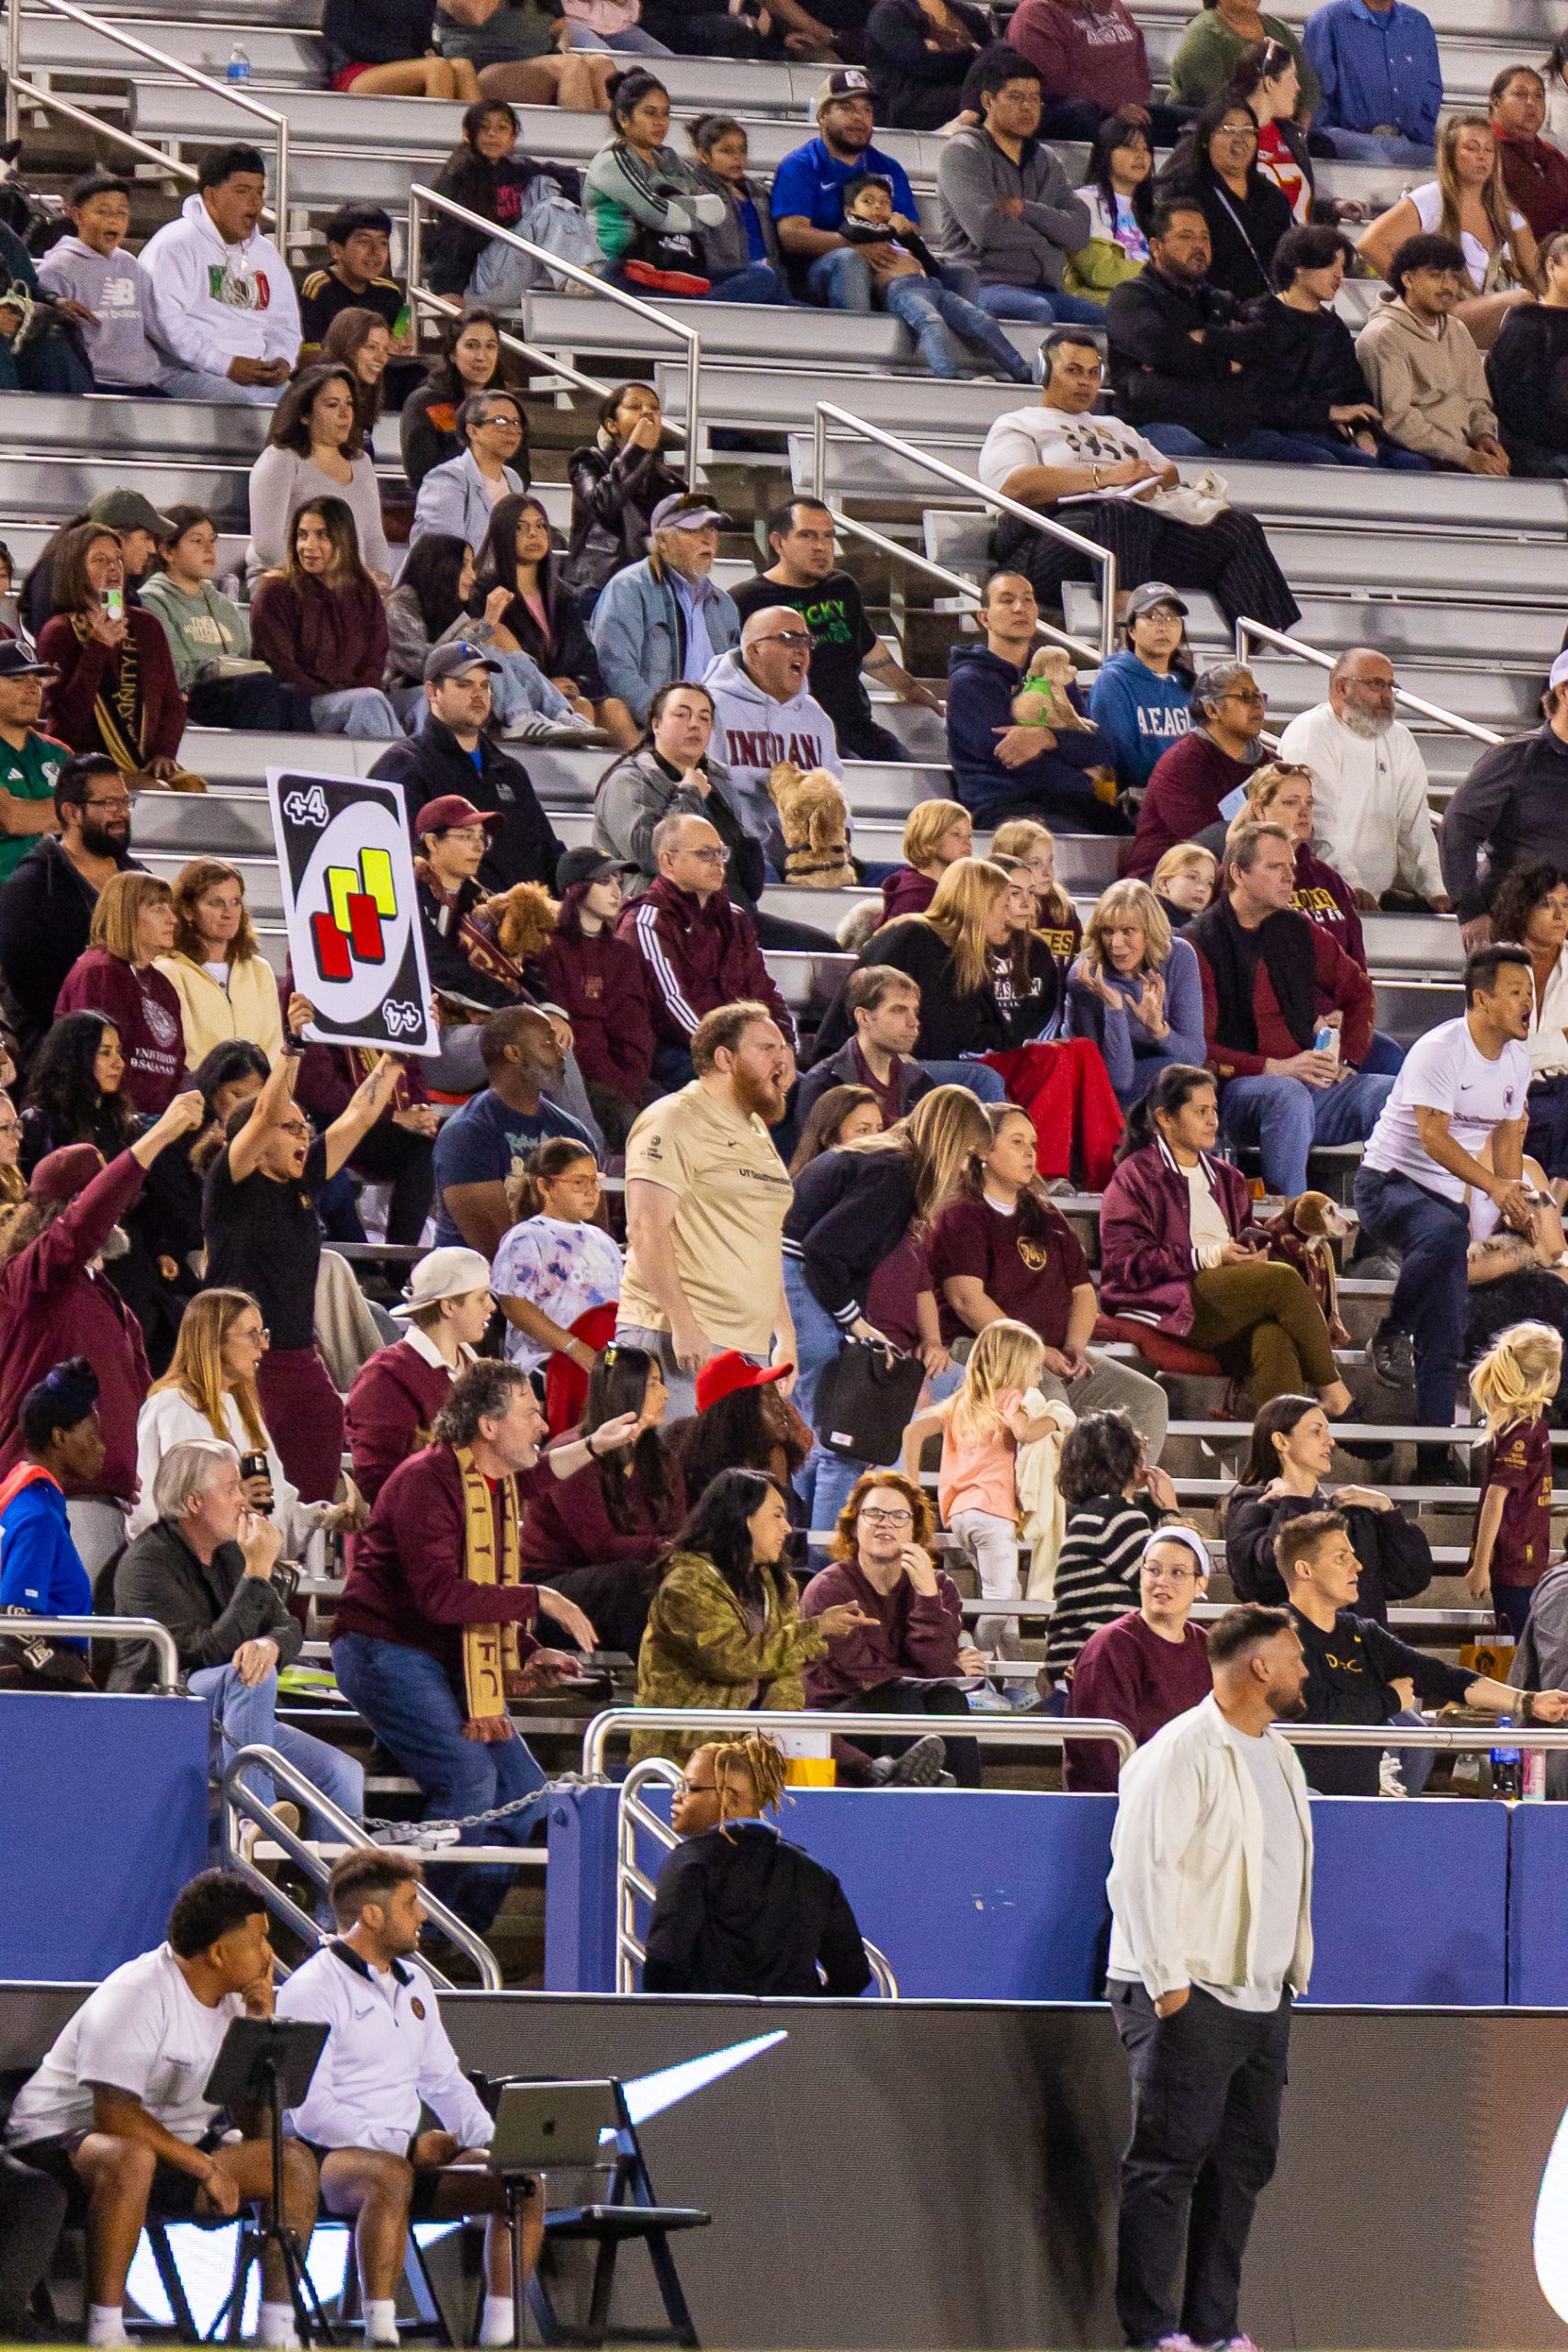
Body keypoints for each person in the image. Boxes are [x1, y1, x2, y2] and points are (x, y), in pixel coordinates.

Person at [333, 1359, 621, 1927]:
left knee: (526, 1791)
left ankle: (457, 1933)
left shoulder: (495, 1481)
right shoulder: (425, 1480)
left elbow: (541, 1475)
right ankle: (408, 1928)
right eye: (530, 1413)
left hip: (435, 1654)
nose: (543, 1426)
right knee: (471, 1779)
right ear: (488, 1427)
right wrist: (538, 1597)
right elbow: (440, 1597)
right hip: (380, 1647)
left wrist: (527, 1648)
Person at [1104, 1603, 1313, 2352]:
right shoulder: (1177, 1752)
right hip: (1187, 1993)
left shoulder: (1279, 1755)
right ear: (1258, 1666)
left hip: (1261, 1999)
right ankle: (1152, 2332)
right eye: (1294, 1657)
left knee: (1242, 2166)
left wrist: (1285, 1976)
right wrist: (1169, 1984)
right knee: (1167, 2163)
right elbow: (1138, 1871)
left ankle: (1213, 2329)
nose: (1304, 1670)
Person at [3, 1871, 318, 2352]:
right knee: (131, 2158)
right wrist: (204, 2167)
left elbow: (259, 2131)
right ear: (218, 1953)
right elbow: (115, 2116)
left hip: (171, 2151)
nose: (269, 1954)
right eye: (259, 1939)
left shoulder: (237, 2004)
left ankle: (277, 2329)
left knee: (291, 2162)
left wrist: (257, 2036)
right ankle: (105, 2328)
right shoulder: (138, 1991)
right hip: (54, 2141)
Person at [276, 1849, 529, 2351]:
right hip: (326, 2160)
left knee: (522, 2184)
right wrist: (406, 2149)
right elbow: (310, 2113)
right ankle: (381, 2334)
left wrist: (500, 2146)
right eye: (411, 1903)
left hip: (406, 2159)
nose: (423, 1915)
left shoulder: (416, 1984)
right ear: (372, 1915)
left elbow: (444, 2081)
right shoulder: (311, 1989)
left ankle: (499, 2339)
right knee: (389, 2176)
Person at [113, 1436, 365, 1833]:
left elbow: (288, 1627)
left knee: (341, 1773)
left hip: (232, 1720)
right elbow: (206, 1651)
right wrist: (258, 1573)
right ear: (194, 1502)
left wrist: (269, 1644)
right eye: (231, 1490)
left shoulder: (230, 1552)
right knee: (249, 1674)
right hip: (162, 1716)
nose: (244, 1502)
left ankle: (337, 1877)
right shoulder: (147, 1563)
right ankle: (256, 1819)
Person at [979, 328, 1301, 638]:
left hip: (1133, 533)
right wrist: (1105, 478)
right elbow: (1015, 487)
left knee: (1236, 525)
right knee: (1118, 511)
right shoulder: (1018, 423)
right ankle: (1128, 624)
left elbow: (1168, 471)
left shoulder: (1114, 426)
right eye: (1073, 371)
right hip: (1045, 543)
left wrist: (1149, 481)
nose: (1085, 382)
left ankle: (1263, 637)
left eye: (1093, 373)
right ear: (1044, 372)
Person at [204, 1033, 403, 1500]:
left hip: (300, 1359)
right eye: (290, 1127)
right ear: (254, 1140)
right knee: (249, 1500)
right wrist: (291, 1048)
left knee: (315, 1497)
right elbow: (264, 1112)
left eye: (304, 1126)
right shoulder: (230, 1184)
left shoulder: (303, 1181)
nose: (303, 1135)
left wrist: (393, 1059)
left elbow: (358, 1116)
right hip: (239, 1365)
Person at [1356, 944, 1536, 1459]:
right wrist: (1494, 1187)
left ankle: (1433, 1464)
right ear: (1481, 999)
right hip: (1387, 1183)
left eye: (1530, 992)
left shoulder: (1517, 1061)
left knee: (1447, 1334)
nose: (1528, 1003)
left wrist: (1513, 1200)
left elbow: (1507, 1140)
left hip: (1443, 1206)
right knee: (1447, 1232)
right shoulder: (1440, 1049)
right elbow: (1433, 1137)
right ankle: (1393, 1330)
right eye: (1516, 992)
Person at [1100, 1062, 1351, 1411]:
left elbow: (1246, 1234)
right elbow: (1125, 1263)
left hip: (1227, 1296)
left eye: (1214, 1110)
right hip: (1173, 1297)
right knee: (1280, 1280)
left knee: (1273, 1338)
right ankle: (1333, 1388)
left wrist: (1257, 1252)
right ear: (1165, 1118)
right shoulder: (1135, 1176)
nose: (1212, 1121)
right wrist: (1211, 1255)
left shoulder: (1227, 1177)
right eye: (1200, 1111)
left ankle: (1279, 1442)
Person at [927, 1097, 1171, 1442]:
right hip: (984, 1349)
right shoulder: (961, 1214)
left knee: (1144, 1399)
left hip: (1052, 1354)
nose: (1030, 1152)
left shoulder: (1046, 1215)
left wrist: (1074, 1347)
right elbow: (967, 1301)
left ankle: (1120, 1479)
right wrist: (1038, 1353)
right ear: (982, 1150)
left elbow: (1083, 1292)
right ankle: (1047, 1480)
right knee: (1045, 1396)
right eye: (1017, 1142)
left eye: (1033, 1143)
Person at [1278, 1507, 1565, 1791]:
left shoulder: (1362, 1634)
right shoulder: (1276, 1636)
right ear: (1305, 1570)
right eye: (1342, 1557)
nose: (1357, 1565)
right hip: (1301, 1800)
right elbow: (1317, 1713)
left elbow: (1440, 1676)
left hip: (1360, 1804)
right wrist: (1391, 1698)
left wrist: (1529, 1701)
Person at [1187, 820, 1392, 1195]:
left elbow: (1359, 990)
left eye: (1291, 867)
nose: (1290, 878)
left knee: (1394, 1093)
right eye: (1275, 867)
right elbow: (1199, 1051)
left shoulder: (1299, 930)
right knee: (1288, 1095)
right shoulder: (1199, 943)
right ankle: (1292, 1217)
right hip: (1233, 1092)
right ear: (1238, 873)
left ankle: (1382, 1221)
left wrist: (1347, 1057)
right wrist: (1275, 1067)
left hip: (1307, 1082)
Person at [784, 1080, 990, 1446]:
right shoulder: (893, 1171)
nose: (968, 1168)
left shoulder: (888, 1161)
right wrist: (857, 1323)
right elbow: (820, 1251)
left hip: (800, 1283)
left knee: (831, 1440)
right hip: (798, 1282)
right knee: (834, 1440)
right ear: (950, 1143)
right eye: (969, 1154)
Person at [617, 1001, 796, 1419]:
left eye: (784, 1048)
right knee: (675, 1459)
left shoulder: (755, 1128)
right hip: (678, 1338)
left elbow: (764, 1239)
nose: (783, 1060)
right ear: (724, 1059)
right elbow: (645, 1228)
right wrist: (682, 1321)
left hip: (747, 1345)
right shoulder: (673, 1119)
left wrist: (784, 1334)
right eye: (767, 1048)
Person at [632, 1464, 875, 1765]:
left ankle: (878, 1772)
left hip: (749, 1756)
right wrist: (815, 1629)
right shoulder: (686, 1585)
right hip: (683, 1758)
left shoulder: (778, 1585)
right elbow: (731, 1658)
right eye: (777, 1515)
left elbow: (786, 1674)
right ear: (742, 1518)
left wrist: (769, 1741)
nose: (787, 1528)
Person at [1105, 202, 1355, 462]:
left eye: (1204, 237)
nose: (1199, 246)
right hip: (1155, 424)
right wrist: (1228, 364)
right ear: (1156, 247)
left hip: (1227, 429)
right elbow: (1162, 350)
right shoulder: (1132, 297)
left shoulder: (1219, 300)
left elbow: (1265, 343)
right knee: (1201, 457)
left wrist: (1204, 339)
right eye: (1186, 236)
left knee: (1320, 462)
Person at [642, 1732, 870, 1994]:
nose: (676, 1796)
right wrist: (806, 2010)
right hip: (795, 2020)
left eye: (690, 1788)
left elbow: (664, 1964)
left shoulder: (688, 1863)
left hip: (710, 2020)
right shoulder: (814, 1872)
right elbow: (853, 1974)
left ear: (731, 1798)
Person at [801, 1468, 984, 1781]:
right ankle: (908, 1798)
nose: (885, 1523)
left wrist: (927, 1596)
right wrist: (952, 1669)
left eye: (899, 1516)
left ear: (914, 1529)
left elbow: (937, 1664)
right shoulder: (829, 1589)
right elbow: (865, 1678)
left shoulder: (939, 1586)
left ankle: (967, 1802)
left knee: (949, 1699)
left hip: (905, 1707)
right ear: (854, 1525)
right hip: (838, 1720)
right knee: (898, 1698)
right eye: (873, 1513)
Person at [128, 1285, 342, 1551]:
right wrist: (238, 1502)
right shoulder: (172, 1406)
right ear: (214, 1341)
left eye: (263, 1333)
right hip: (190, 1568)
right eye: (252, 1334)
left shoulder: (242, 1410)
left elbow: (277, 1513)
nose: (264, 1345)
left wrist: (326, 1517)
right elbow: (156, 1509)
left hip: (244, 1567)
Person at [733, 497, 940, 762]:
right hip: (793, 735)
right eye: (807, 536)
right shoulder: (746, 599)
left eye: (828, 536)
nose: (821, 547)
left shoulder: (842, 587)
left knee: (919, 777)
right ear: (778, 542)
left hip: (857, 728)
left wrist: (910, 688)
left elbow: (868, 650)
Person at [516, 1342, 682, 1654]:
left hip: (626, 1575)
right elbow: (602, 1547)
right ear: (624, 1390)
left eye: (661, 1383)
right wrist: (667, 1548)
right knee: (632, 1580)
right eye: (652, 1384)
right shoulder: (572, 1453)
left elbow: (675, 1527)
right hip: (554, 1585)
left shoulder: (661, 1457)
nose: (665, 1393)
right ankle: (651, 1677)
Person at [375, 647, 569, 899]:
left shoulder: (510, 771)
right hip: (455, 920)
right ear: (432, 692)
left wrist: (579, 887)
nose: (478, 695)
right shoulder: (404, 765)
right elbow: (403, 861)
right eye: (464, 685)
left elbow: (549, 852)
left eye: (485, 686)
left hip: (528, 919)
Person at [1224, 1390, 1434, 1621]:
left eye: (1327, 1431)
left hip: (1355, 1643)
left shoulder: (1348, 1513)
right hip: (1291, 1642)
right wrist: (1295, 1501)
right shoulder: (1253, 1505)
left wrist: (1386, 1510)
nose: (1331, 1442)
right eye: (1316, 1431)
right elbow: (1261, 1578)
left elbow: (1409, 1580)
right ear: (1281, 1441)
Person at [1236, 222, 1430, 469]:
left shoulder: (1334, 326)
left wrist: (1363, 431)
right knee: (1353, 464)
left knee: (1413, 464)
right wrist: (1329, 412)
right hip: (1284, 430)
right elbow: (1258, 398)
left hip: (1331, 430)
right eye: (1330, 265)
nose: (1339, 275)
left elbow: (1355, 389)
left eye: (1342, 266)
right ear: (1298, 267)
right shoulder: (1260, 317)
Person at [619, 812, 795, 1079]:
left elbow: (764, 991)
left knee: (806, 1088)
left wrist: (783, 1047)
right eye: (704, 854)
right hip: (676, 1052)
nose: (717, 862)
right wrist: (733, 1057)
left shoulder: (734, 918)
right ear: (668, 861)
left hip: (738, 1051)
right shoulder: (646, 921)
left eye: (720, 853)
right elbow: (672, 1007)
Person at [585, 71, 786, 302]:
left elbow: (716, 211)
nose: (660, 122)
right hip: (624, 273)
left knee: (764, 276)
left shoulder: (668, 159)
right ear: (623, 117)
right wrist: (686, 207)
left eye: (665, 113)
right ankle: (702, 310)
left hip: (675, 268)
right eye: (650, 113)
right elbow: (660, 216)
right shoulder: (611, 161)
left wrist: (672, 203)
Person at [932, 56, 1102, 327]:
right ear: (988, 101)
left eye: (1034, 99)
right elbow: (987, 229)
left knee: (1111, 320)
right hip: (982, 286)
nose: (1027, 106)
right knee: (1036, 310)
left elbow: (1078, 233)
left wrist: (1025, 209)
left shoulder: (1046, 159)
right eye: (1015, 97)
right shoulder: (963, 152)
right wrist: (1049, 236)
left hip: (1046, 288)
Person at [1275, 648, 1447, 908]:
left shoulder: (1399, 738)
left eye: (1390, 686)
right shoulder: (1311, 731)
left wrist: (1434, 888)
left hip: (1374, 895)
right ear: (1342, 687)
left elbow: (1414, 822)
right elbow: (1320, 823)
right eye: (1377, 684)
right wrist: (1350, 885)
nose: (1387, 695)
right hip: (1317, 893)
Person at [945, 571, 1116, 830]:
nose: (1020, 608)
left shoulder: (1053, 671)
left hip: (1070, 803)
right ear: (984, 617)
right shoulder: (970, 682)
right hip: (1004, 808)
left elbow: (1099, 747)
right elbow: (1010, 759)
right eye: (1007, 600)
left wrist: (1048, 738)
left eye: (1028, 600)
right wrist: (1076, 763)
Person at [0, 753, 138, 1061]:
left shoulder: (139, 879)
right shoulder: (32, 886)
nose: (121, 812)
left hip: (134, 1047)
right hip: (62, 1054)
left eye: (125, 801)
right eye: (108, 803)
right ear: (71, 812)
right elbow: (29, 994)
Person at [139, 144, 301, 406]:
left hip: (256, 375)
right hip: (185, 372)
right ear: (211, 196)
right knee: (231, 402)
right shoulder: (174, 244)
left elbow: (284, 322)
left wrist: (281, 358)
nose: (255, 202)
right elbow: (166, 323)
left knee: (307, 403)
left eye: (259, 192)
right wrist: (225, 364)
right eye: (242, 191)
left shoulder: (266, 253)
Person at [472, 493, 637, 747]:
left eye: (541, 526)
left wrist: (575, 686)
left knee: (613, 708)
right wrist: (547, 686)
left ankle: (643, 770)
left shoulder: (563, 597)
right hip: (513, 702)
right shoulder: (485, 594)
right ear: (502, 534)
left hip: (564, 699)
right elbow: (487, 658)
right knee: (582, 708)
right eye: (520, 528)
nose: (534, 534)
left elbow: (588, 665)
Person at [839, 170, 1036, 381]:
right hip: (902, 290)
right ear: (850, 210)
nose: (877, 207)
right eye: (868, 201)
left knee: (983, 321)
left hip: (931, 285)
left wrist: (908, 236)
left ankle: (1023, 373)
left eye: (884, 202)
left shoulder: (894, 232)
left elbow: (932, 266)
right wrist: (892, 230)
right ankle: (946, 375)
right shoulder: (855, 227)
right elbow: (855, 233)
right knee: (932, 323)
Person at [430, 1005, 597, 1255]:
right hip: (476, 1274)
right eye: (548, 1043)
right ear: (514, 1053)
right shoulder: (467, 1134)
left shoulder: (573, 1131)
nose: (560, 1050)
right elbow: (499, 1249)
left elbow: (594, 1232)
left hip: (560, 1268)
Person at [37, 525, 193, 790]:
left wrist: (164, 752)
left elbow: (172, 702)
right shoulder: (59, 632)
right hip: (82, 765)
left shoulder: (146, 625)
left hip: (140, 762)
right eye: (100, 559)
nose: (113, 567)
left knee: (190, 787)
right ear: (75, 569)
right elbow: (67, 723)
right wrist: (97, 647)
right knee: (157, 790)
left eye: (118, 558)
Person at [1359, 117, 1537, 347]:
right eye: (1471, 148)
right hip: (1448, 313)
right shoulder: (1432, 198)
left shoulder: (1508, 214)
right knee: (1521, 302)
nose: (1482, 156)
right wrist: (1418, 296)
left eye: (1489, 150)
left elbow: (1538, 275)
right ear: (1451, 154)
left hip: (1494, 312)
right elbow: (1369, 243)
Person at [1066, 1523, 1213, 1790]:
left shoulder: (1206, 1645)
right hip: (1126, 1798)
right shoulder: (1112, 1645)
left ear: (1200, 1583)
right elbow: (1104, 1753)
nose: (1162, 1581)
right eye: (1153, 1570)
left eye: (1177, 1572)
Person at [139, 507, 311, 734]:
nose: (209, 549)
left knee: (293, 693)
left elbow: (245, 659)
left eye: (212, 541)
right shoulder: (152, 600)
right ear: (167, 551)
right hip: (191, 697)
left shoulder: (223, 605)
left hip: (236, 692)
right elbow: (172, 672)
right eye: (197, 541)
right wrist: (215, 668)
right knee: (260, 688)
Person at [345, 1248, 494, 1509]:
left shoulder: (479, 1370)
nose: (491, 1306)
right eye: (481, 1297)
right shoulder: (385, 1375)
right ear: (448, 1306)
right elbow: (380, 1482)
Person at [594, 679, 761, 910]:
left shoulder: (719, 779)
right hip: (658, 912)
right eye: (682, 715)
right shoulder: (629, 780)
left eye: (704, 718)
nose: (694, 724)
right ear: (656, 725)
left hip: (725, 911)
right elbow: (649, 857)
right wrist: (690, 793)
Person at [1043, 1406, 1178, 1690]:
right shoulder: (1116, 1516)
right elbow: (1174, 1578)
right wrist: (1171, 1512)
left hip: (1082, 1667)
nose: (1145, 1446)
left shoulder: (1097, 1513)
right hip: (1099, 1671)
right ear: (1123, 1459)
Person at [704, 605, 842, 872]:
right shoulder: (710, 707)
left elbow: (834, 795)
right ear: (754, 651)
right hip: (737, 854)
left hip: (807, 853)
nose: (802, 650)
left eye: (807, 641)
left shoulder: (816, 717)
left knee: (889, 878)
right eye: (789, 639)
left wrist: (838, 841)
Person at [530, 847, 655, 1141]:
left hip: (628, 1079)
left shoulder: (623, 954)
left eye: (618, 881)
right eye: (604, 882)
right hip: (574, 1080)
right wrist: (618, 1086)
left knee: (677, 1118)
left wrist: (629, 1082)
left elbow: (635, 1030)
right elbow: (569, 1038)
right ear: (575, 889)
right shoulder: (546, 947)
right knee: (632, 1125)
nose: (616, 891)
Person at [249, 498, 400, 740]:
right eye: (302, 535)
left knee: (422, 700)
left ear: (343, 539)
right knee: (368, 703)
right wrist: (339, 689)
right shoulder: (276, 590)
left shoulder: (363, 591)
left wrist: (352, 689)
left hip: (356, 696)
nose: (309, 546)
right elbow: (281, 667)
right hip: (301, 703)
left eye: (322, 535)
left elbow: (375, 660)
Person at [771, 69, 921, 311]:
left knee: (958, 274)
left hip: (881, 262)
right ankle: (859, 334)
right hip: (816, 270)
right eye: (847, 108)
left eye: (867, 110)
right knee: (850, 261)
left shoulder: (889, 167)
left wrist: (899, 230)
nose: (859, 117)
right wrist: (854, 246)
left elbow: (911, 226)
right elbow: (792, 235)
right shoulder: (800, 165)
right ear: (822, 115)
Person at [1357, 242, 1513, 473]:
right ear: (1408, 280)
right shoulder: (1383, 335)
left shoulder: (1457, 329)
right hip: (1420, 455)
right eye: (1436, 275)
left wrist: (1484, 436)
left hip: (1464, 451)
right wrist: (1464, 456)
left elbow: (1477, 400)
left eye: (1454, 277)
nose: (1448, 286)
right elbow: (1398, 420)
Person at [591, 493, 741, 730]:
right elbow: (617, 672)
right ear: (662, 541)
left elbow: (735, 680)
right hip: (652, 729)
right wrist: (669, 721)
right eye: (694, 530)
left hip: (713, 731)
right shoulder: (629, 589)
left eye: (712, 529)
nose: (707, 539)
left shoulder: (723, 604)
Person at [1442, 656, 1568, 936]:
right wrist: (1470, 908)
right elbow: (1459, 826)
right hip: (1514, 922)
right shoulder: (1516, 755)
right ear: (1563, 691)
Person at [35, 173, 187, 396]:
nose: (114, 220)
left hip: (139, 382)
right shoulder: (58, 267)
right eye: (102, 212)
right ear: (77, 216)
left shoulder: (130, 264)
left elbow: (156, 324)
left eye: (121, 212)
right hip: (93, 384)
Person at [0, 1357, 101, 1679]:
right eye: (93, 1435)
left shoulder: (25, 1501)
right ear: (59, 1437)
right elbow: (15, 1625)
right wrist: (76, 1678)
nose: (101, 1448)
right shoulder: (37, 1516)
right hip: (39, 1689)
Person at [246, 365, 390, 587]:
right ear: (304, 415)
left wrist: (380, 577)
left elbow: (374, 537)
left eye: (349, 404)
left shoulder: (361, 463)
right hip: (286, 582)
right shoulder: (281, 459)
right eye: (332, 404)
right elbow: (267, 546)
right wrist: (323, 582)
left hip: (348, 586)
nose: (345, 413)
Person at [1066, 878, 1205, 1107]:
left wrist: (1158, 1030)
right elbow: (1117, 1080)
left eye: (1128, 931)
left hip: (1168, 1079)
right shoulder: (1086, 977)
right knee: (1179, 1082)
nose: (1116, 944)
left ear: (1149, 931)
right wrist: (1115, 1008)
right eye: (1108, 931)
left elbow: (1196, 1056)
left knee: (1187, 1083)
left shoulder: (1179, 955)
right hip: (1105, 1092)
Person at [55, 872, 184, 1116]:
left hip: (158, 1119)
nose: (173, 919)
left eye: (170, 909)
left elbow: (176, 1062)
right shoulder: (98, 972)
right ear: (126, 915)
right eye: (158, 909)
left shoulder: (162, 984)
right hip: (112, 1119)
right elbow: (93, 1061)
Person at [491, 1136, 622, 1375]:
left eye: (594, 1181)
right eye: (578, 1182)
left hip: (599, 1365)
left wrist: (611, 1360)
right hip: (544, 1365)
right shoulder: (527, 1237)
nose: (591, 1191)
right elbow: (514, 1305)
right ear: (545, 1186)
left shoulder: (604, 1242)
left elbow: (616, 1309)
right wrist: (573, 1347)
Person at [1123, 660, 1263, 878]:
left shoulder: (1271, 764)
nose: (1258, 704)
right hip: (1166, 877)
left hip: (1243, 875)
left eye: (1260, 696)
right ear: (1211, 710)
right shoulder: (1182, 762)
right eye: (1245, 696)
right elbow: (1203, 842)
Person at [1467, 1319, 1560, 1639]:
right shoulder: (1525, 1432)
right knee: (1523, 1649)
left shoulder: (1524, 1427)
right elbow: (1496, 1497)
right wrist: (1481, 1566)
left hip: (1525, 1563)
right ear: (1546, 1377)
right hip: (1514, 1568)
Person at [1156, 99, 1293, 305]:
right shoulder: (1183, 193)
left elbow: (1285, 262)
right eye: (1228, 129)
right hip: (1208, 307)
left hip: (1270, 310)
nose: (1239, 139)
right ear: (1205, 139)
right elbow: (1178, 263)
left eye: (1248, 131)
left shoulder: (1273, 197)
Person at [152, 859, 283, 1070]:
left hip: (260, 1089)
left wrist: (259, 1086)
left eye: (235, 902)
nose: (228, 913)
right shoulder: (167, 970)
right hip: (198, 1087)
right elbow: (183, 1052)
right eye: (216, 903)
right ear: (187, 911)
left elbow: (273, 1046)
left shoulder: (260, 969)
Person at [566, 380, 685, 603]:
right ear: (612, 425)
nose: (647, 412)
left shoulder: (671, 482)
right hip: (597, 585)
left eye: (654, 407)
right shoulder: (589, 460)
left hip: (650, 587)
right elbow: (602, 506)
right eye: (635, 406)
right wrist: (636, 450)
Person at [1486, 863, 1568, 1181]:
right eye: (1547, 904)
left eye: (1565, 905)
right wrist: (1562, 1041)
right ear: (1521, 909)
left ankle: (1553, 1200)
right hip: (1511, 1089)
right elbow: (1494, 1048)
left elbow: (1519, 1047)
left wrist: (1532, 1050)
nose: (1560, 915)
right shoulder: (1495, 966)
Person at [1005, 0, 1179, 144]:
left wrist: (1138, 102)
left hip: (1130, 110)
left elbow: (1138, 59)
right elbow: (1052, 86)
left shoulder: (1112, 5)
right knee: (1079, 112)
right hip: (1078, 116)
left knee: (1190, 124)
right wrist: (1114, 110)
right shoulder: (1035, 13)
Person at [796, 964, 937, 1129]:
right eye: (899, 1010)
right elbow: (812, 1145)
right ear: (864, 1017)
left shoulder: (921, 1082)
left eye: (915, 1011)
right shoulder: (824, 1084)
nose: (914, 1022)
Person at [1087, 582, 1192, 798]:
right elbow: (1122, 762)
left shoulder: (1188, 685)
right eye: (1152, 617)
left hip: (1183, 795)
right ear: (1131, 630)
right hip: (1133, 799)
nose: (1163, 626)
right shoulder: (1112, 682)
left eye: (1172, 618)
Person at [1301, 0, 1440, 164]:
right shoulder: (1328, 19)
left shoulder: (1418, 23)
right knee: (1374, 159)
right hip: (1345, 136)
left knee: (1447, 164)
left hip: (1405, 140)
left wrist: (1422, 135)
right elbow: (1314, 90)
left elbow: (1432, 89)